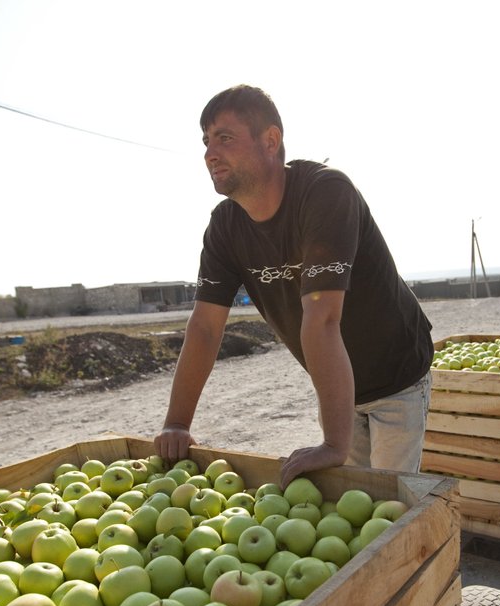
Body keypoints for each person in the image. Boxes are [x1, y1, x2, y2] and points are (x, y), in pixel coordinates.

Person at [154, 85, 435, 487]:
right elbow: (204, 327)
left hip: (398, 376)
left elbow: (321, 318)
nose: (209, 153)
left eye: (225, 138)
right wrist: (177, 423)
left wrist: (332, 445)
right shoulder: (225, 228)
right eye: (206, 142)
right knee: (349, 505)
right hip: (338, 387)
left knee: (387, 505)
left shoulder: (325, 193)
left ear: (271, 140)